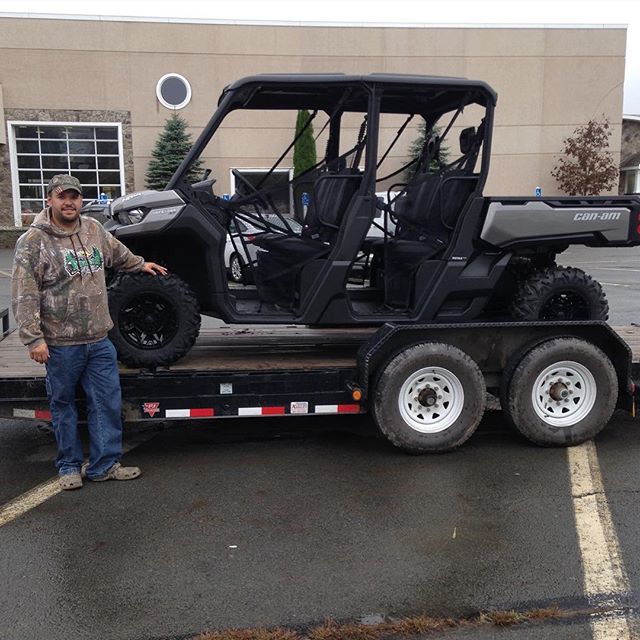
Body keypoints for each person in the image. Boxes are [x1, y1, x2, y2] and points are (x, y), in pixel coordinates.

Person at [11, 175, 168, 491]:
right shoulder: (33, 242)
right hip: (60, 345)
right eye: (62, 197)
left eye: (74, 197)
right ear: (49, 200)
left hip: (98, 340)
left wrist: (141, 264)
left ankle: (104, 465)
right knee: (64, 405)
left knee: (106, 404)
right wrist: (34, 338)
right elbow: (24, 293)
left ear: (81, 201)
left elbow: (117, 254)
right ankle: (68, 466)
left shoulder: (94, 230)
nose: (69, 202)